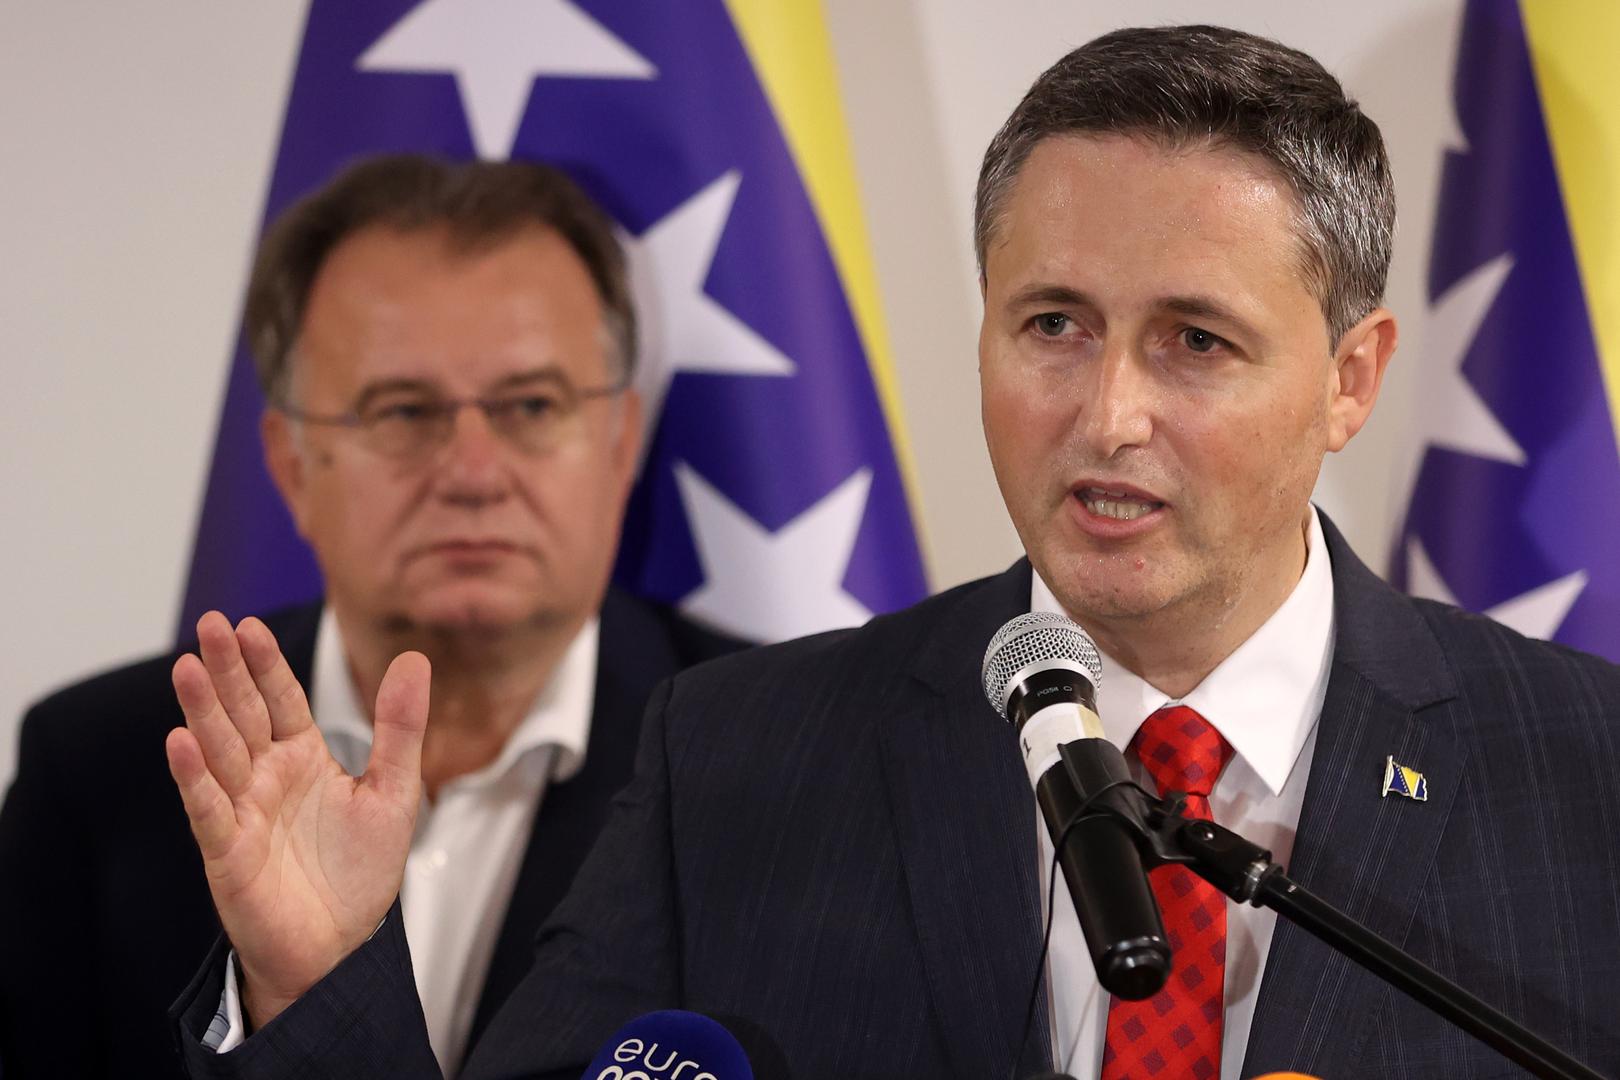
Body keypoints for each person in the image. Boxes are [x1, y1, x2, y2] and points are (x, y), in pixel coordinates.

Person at [165, 26, 1620, 1080]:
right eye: (1053, 325)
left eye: (1196, 341)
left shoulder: (1590, 778)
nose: (1109, 415)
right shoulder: (735, 759)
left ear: (1352, 380)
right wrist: (317, 987)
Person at [0, 155, 743, 1079]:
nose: (473, 474)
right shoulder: (100, 773)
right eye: (402, 411)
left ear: (621, 443)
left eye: (532, 404)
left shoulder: (767, 756)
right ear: (291, 464)